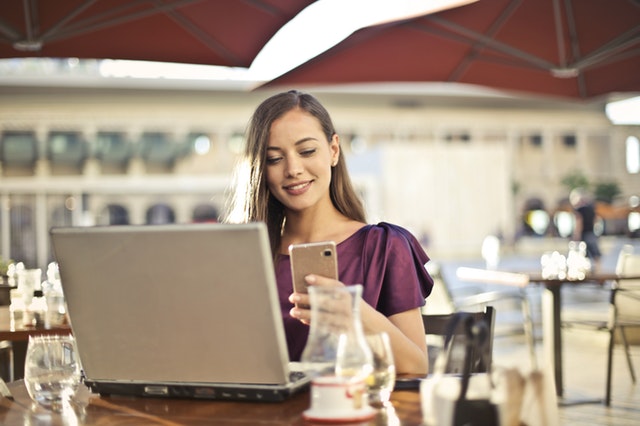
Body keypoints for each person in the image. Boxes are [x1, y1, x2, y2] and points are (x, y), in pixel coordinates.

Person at [223, 90, 433, 375]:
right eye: (274, 159)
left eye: (307, 151)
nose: (293, 169)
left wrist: (354, 314)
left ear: (333, 150)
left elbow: (417, 366)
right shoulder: (244, 255)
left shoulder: (384, 246)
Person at [570, 187, 602, 270]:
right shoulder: (591, 208)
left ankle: (583, 271)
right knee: (595, 254)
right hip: (591, 233)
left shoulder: (579, 210)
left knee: (582, 253)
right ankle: (599, 270)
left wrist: (576, 235)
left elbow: (579, 222)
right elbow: (596, 219)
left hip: (584, 234)